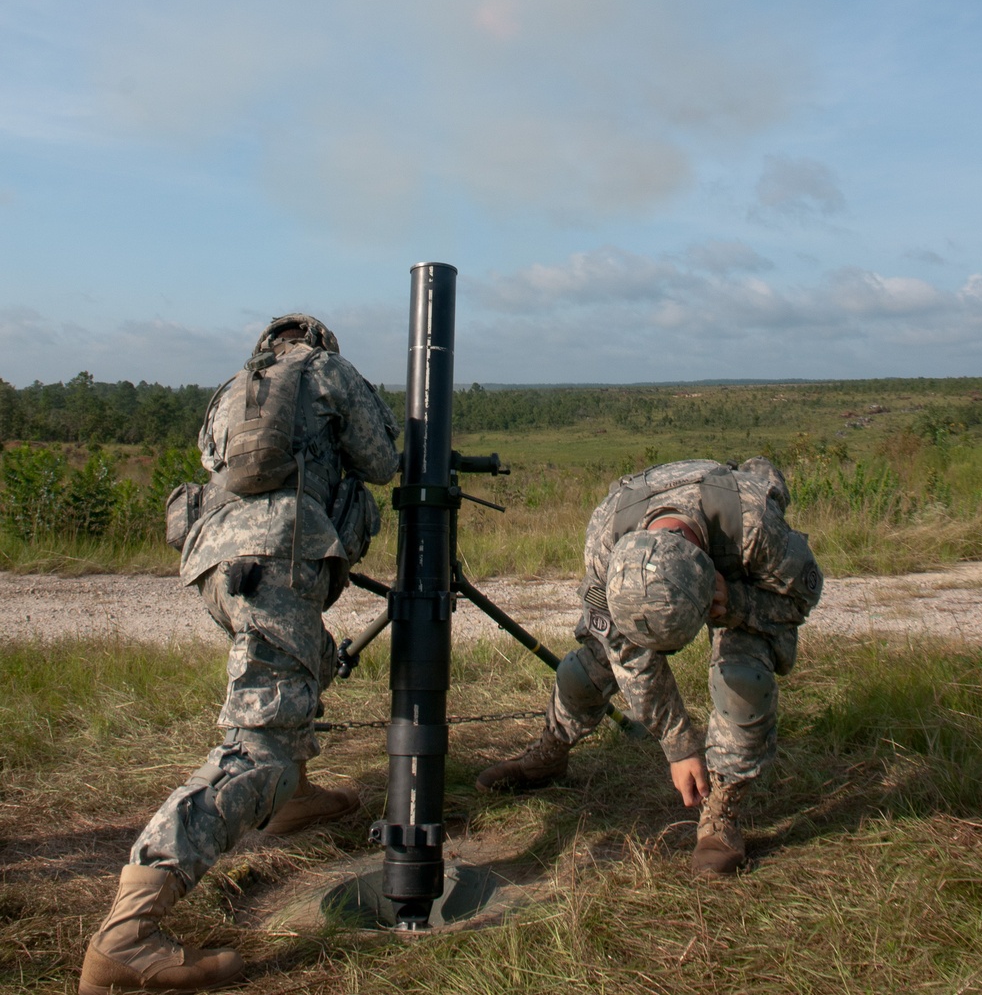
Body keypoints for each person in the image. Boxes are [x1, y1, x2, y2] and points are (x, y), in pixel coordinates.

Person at [80, 314, 400, 995]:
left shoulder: (233, 387)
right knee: (258, 744)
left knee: (302, 662)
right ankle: (128, 932)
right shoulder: (326, 371)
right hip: (276, 556)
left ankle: (294, 797)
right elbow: (381, 461)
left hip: (215, 561)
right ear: (320, 341)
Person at [476, 457, 822, 878]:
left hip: (738, 586)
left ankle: (721, 813)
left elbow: (799, 599)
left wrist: (738, 603)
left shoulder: (754, 525)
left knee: (742, 682)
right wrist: (680, 747)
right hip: (654, 584)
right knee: (582, 672)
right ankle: (550, 752)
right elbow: (629, 657)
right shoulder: (607, 538)